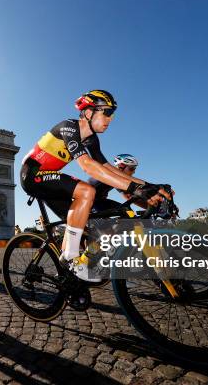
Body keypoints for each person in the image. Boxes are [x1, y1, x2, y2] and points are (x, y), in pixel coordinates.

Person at [20, 90, 172, 282]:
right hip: (32, 174)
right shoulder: (69, 127)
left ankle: (68, 271)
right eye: (106, 112)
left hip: (49, 180)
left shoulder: (92, 139)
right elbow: (88, 166)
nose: (110, 119)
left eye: (112, 114)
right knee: (87, 190)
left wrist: (151, 186)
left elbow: (109, 168)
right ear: (89, 112)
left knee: (87, 221)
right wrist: (134, 189)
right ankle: (71, 258)